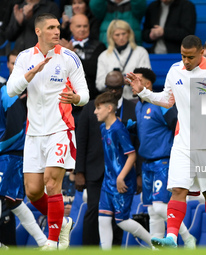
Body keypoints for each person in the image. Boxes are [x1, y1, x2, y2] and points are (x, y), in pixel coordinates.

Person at [126, 35, 206, 248]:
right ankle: (171, 237)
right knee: (178, 190)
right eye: (183, 56)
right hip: (182, 143)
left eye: (190, 57)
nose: (186, 61)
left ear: (201, 52)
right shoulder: (175, 70)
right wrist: (144, 92)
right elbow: (168, 101)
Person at [6, 13, 89, 250]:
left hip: (59, 129)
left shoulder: (69, 58)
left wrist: (76, 98)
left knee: (52, 184)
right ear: (38, 31)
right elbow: (11, 90)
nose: (57, 32)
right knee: (32, 192)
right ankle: (62, 223)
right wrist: (29, 74)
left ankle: (53, 241)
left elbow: (85, 94)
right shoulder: (24, 57)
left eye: (58, 27)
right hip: (33, 133)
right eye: (51, 28)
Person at [132, 67, 196, 248]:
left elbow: (177, 124)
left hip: (163, 161)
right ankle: (156, 248)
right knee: (152, 211)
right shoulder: (139, 105)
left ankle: (188, 237)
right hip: (147, 163)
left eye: (136, 80)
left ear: (147, 84)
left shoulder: (162, 104)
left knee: (160, 207)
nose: (131, 83)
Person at [74, 70, 137, 246]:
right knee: (94, 211)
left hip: (121, 172)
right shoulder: (93, 107)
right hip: (94, 169)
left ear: (122, 87)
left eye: (117, 88)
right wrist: (78, 171)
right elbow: (81, 139)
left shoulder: (133, 108)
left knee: (118, 217)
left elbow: (136, 144)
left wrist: (137, 174)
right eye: (110, 87)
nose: (113, 91)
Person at [0, 50, 48, 248]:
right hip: (13, 154)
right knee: (14, 202)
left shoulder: (8, 92)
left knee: (9, 199)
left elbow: (15, 131)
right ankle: (44, 243)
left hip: (11, 154)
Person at [94, 91, 152, 249]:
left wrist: (120, 178)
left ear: (110, 108)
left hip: (122, 181)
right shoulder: (103, 128)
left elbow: (132, 155)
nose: (95, 111)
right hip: (108, 181)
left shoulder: (119, 129)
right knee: (103, 219)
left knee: (122, 221)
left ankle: (154, 244)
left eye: (98, 108)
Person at [59, 14, 106, 126]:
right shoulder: (60, 46)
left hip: (89, 102)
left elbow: (93, 70)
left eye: (85, 26)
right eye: (78, 26)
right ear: (71, 27)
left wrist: (72, 54)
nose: (82, 29)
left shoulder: (99, 46)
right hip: (64, 101)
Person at [96, 19, 151, 100]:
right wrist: (115, 81)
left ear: (129, 34)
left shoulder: (141, 52)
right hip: (112, 101)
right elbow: (99, 85)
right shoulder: (104, 56)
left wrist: (129, 81)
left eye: (123, 34)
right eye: (117, 35)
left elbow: (147, 80)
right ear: (111, 36)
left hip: (135, 99)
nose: (121, 37)